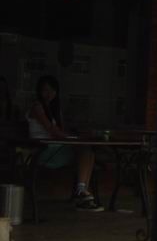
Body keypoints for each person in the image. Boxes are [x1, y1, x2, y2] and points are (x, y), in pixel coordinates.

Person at [27, 74, 103, 211]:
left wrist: (71, 137)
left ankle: (81, 192)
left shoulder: (55, 109)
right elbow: (51, 129)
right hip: (42, 150)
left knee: (88, 151)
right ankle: (81, 193)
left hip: (56, 148)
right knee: (84, 150)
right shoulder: (37, 107)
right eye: (45, 90)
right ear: (39, 91)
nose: (48, 94)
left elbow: (60, 130)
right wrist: (70, 138)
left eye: (52, 90)